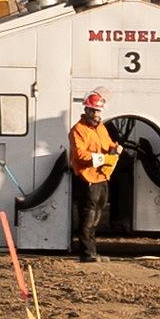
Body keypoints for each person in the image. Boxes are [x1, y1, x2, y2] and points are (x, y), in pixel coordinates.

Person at [60, 92, 119, 257]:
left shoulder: (101, 128)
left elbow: (107, 144)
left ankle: (92, 251)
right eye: (93, 110)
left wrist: (115, 148)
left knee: (97, 214)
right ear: (86, 109)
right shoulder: (78, 130)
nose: (96, 114)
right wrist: (106, 158)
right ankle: (87, 253)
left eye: (98, 111)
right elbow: (81, 157)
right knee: (88, 215)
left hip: (101, 177)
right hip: (87, 178)